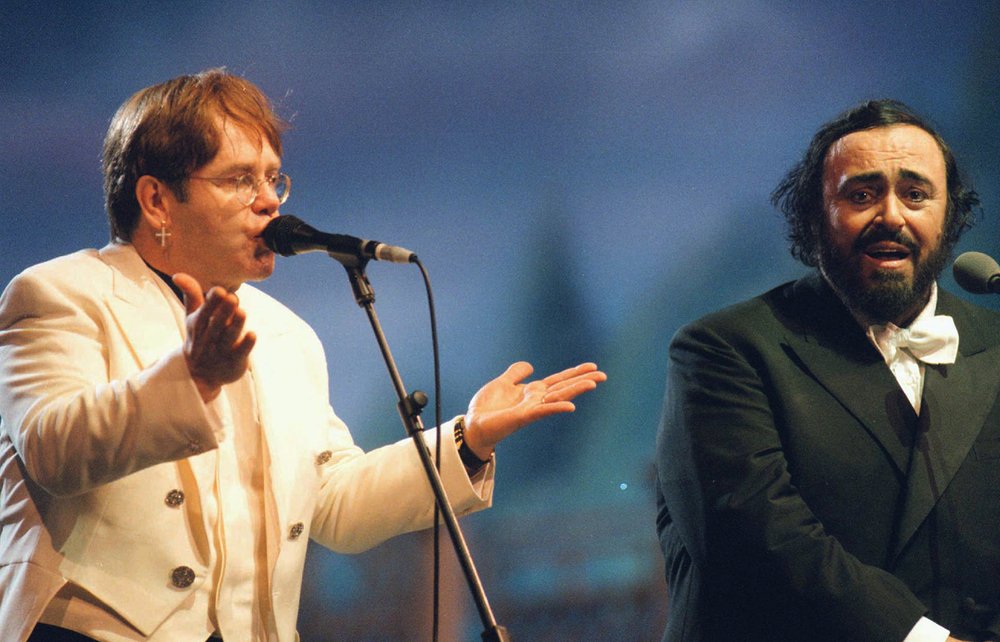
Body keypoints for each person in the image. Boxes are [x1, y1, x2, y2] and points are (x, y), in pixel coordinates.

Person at [0, 68, 606, 642]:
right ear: (157, 201)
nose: (269, 202)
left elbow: (334, 502)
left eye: (274, 178)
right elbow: (54, 448)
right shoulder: (60, 295)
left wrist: (468, 439)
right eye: (240, 180)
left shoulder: (287, 336)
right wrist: (191, 379)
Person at [655, 99, 1000, 642]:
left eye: (916, 194)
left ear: (950, 217)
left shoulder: (995, 345)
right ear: (815, 217)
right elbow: (755, 539)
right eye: (862, 194)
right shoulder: (723, 350)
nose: (892, 215)